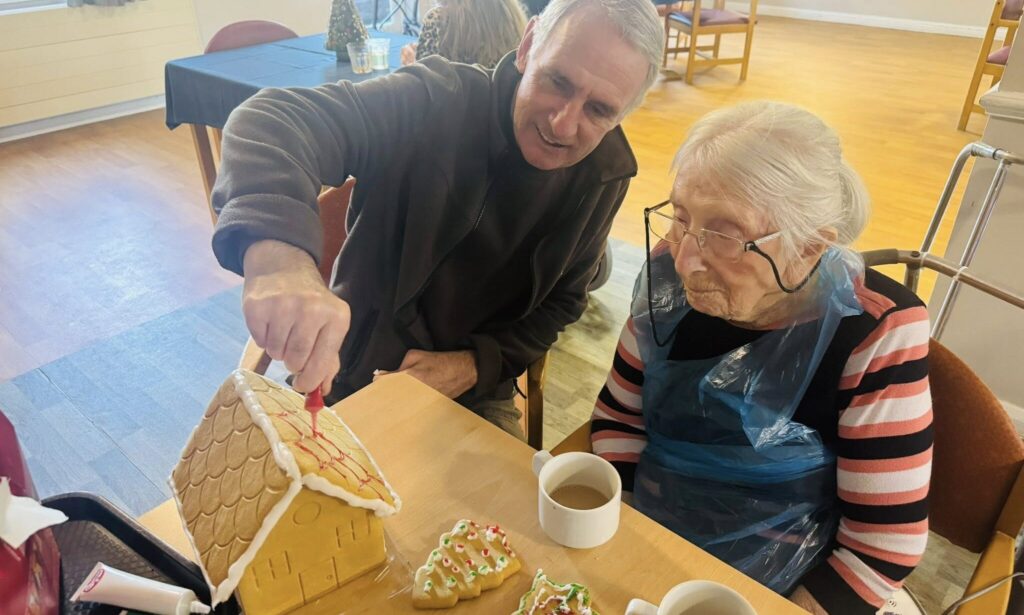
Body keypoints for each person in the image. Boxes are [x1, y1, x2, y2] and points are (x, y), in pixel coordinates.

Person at [210, 0, 664, 438]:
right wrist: (281, 262)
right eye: (558, 81)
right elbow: (272, 121)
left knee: (498, 513)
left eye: (600, 110)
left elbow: (563, 303)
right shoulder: (435, 100)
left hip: (477, 388)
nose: (564, 125)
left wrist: (469, 367)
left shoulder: (605, 173)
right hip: (354, 366)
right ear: (527, 47)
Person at [591, 101, 932, 614]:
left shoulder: (876, 331)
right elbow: (619, 418)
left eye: (724, 235)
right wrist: (639, 550)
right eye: (680, 218)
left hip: (796, 579)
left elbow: (881, 547)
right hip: (655, 533)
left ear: (809, 248)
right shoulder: (667, 271)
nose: (684, 259)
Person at [400, 0, 528, 68]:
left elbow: (423, 92)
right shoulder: (510, 13)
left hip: (456, 114)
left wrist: (412, 66)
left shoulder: (439, 19)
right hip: (502, 112)